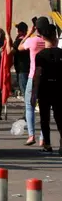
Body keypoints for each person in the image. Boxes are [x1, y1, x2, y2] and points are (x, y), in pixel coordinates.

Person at [30, 20, 62, 153]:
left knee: (45, 117)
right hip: (60, 88)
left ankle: (47, 144)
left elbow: (37, 75)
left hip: (45, 88)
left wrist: (33, 93)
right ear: (55, 37)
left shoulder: (40, 56)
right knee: (60, 117)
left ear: (43, 37)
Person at [18, 17, 49, 146]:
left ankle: (31, 136)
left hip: (33, 77)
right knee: (45, 108)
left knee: (29, 107)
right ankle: (43, 137)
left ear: (36, 28)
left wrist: (29, 33)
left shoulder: (32, 41)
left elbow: (19, 47)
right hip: (47, 78)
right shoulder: (49, 42)